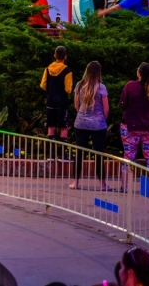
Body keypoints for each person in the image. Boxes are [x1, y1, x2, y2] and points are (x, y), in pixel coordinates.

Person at [120, 63, 149, 189]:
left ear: (139, 73)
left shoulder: (130, 86)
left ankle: (125, 185)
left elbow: (123, 104)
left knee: (129, 155)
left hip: (131, 126)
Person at [70, 61, 110, 190]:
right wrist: (101, 119)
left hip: (80, 122)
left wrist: (83, 115)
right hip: (98, 124)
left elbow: (76, 105)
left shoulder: (79, 85)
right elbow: (106, 109)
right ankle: (103, 184)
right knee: (98, 153)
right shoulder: (101, 87)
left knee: (80, 152)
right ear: (99, 72)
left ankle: (75, 182)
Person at [41, 46, 73, 142]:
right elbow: (68, 89)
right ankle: (62, 153)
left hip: (50, 101)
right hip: (62, 103)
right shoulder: (67, 71)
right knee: (63, 126)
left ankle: (51, 153)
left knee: (51, 125)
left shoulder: (47, 69)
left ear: (54, 55)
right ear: (65, 57)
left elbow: (43, 85)